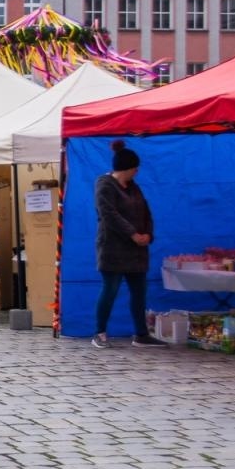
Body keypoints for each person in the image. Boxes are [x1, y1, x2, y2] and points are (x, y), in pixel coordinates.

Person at [94, 140, 165, 349]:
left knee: (139, 292)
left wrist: (148, 235)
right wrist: (132, 233)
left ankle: (141, 333)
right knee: (110, 290)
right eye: (135, 168)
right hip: (113, 248)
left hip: (137, 250)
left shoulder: (134, 188)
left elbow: (146, 212)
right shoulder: (104, 185)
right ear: (128, 168)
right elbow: (109, 214)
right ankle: (99, 332)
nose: (137, 172)